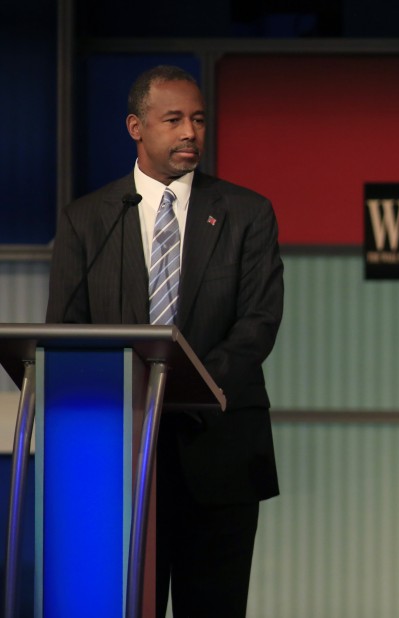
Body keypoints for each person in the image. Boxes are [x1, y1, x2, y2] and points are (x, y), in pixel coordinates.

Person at [46, 65, 284, 617]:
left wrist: (183, 386)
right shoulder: (88, 220)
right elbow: (67, 328)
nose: (190, 133)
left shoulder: (247, 213)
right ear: (136, 126)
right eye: (173, 119)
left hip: (219, 449)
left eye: (198, 120)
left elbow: (259, 323)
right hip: (118, 459)